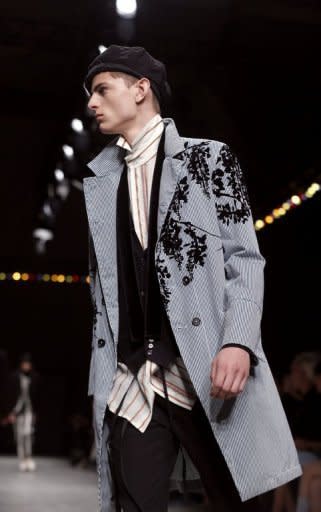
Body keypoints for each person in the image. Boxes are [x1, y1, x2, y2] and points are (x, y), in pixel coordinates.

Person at [82, 44, 302, 512]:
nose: (91, 103)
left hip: (204, 366)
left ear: (141, 90)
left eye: (102, 90)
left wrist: (238, 341)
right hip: (134, 377)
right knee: (133, 503)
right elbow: (104, 289)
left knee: (240, 499)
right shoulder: (99, 182)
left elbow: (246, 257)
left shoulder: (210, 160)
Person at [7, 353, 39, 471]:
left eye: (28, 364)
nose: (26, 366)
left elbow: (37, 397)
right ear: (21, 364)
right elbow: (10, 396)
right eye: (24, 364)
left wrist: (35, 412)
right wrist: (11, 413)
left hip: (29, 410)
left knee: (28, 434)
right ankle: (22, 459)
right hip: (17, 410)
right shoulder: (14, 377)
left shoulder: (34, 377)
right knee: (19, 436)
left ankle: (29, 457)